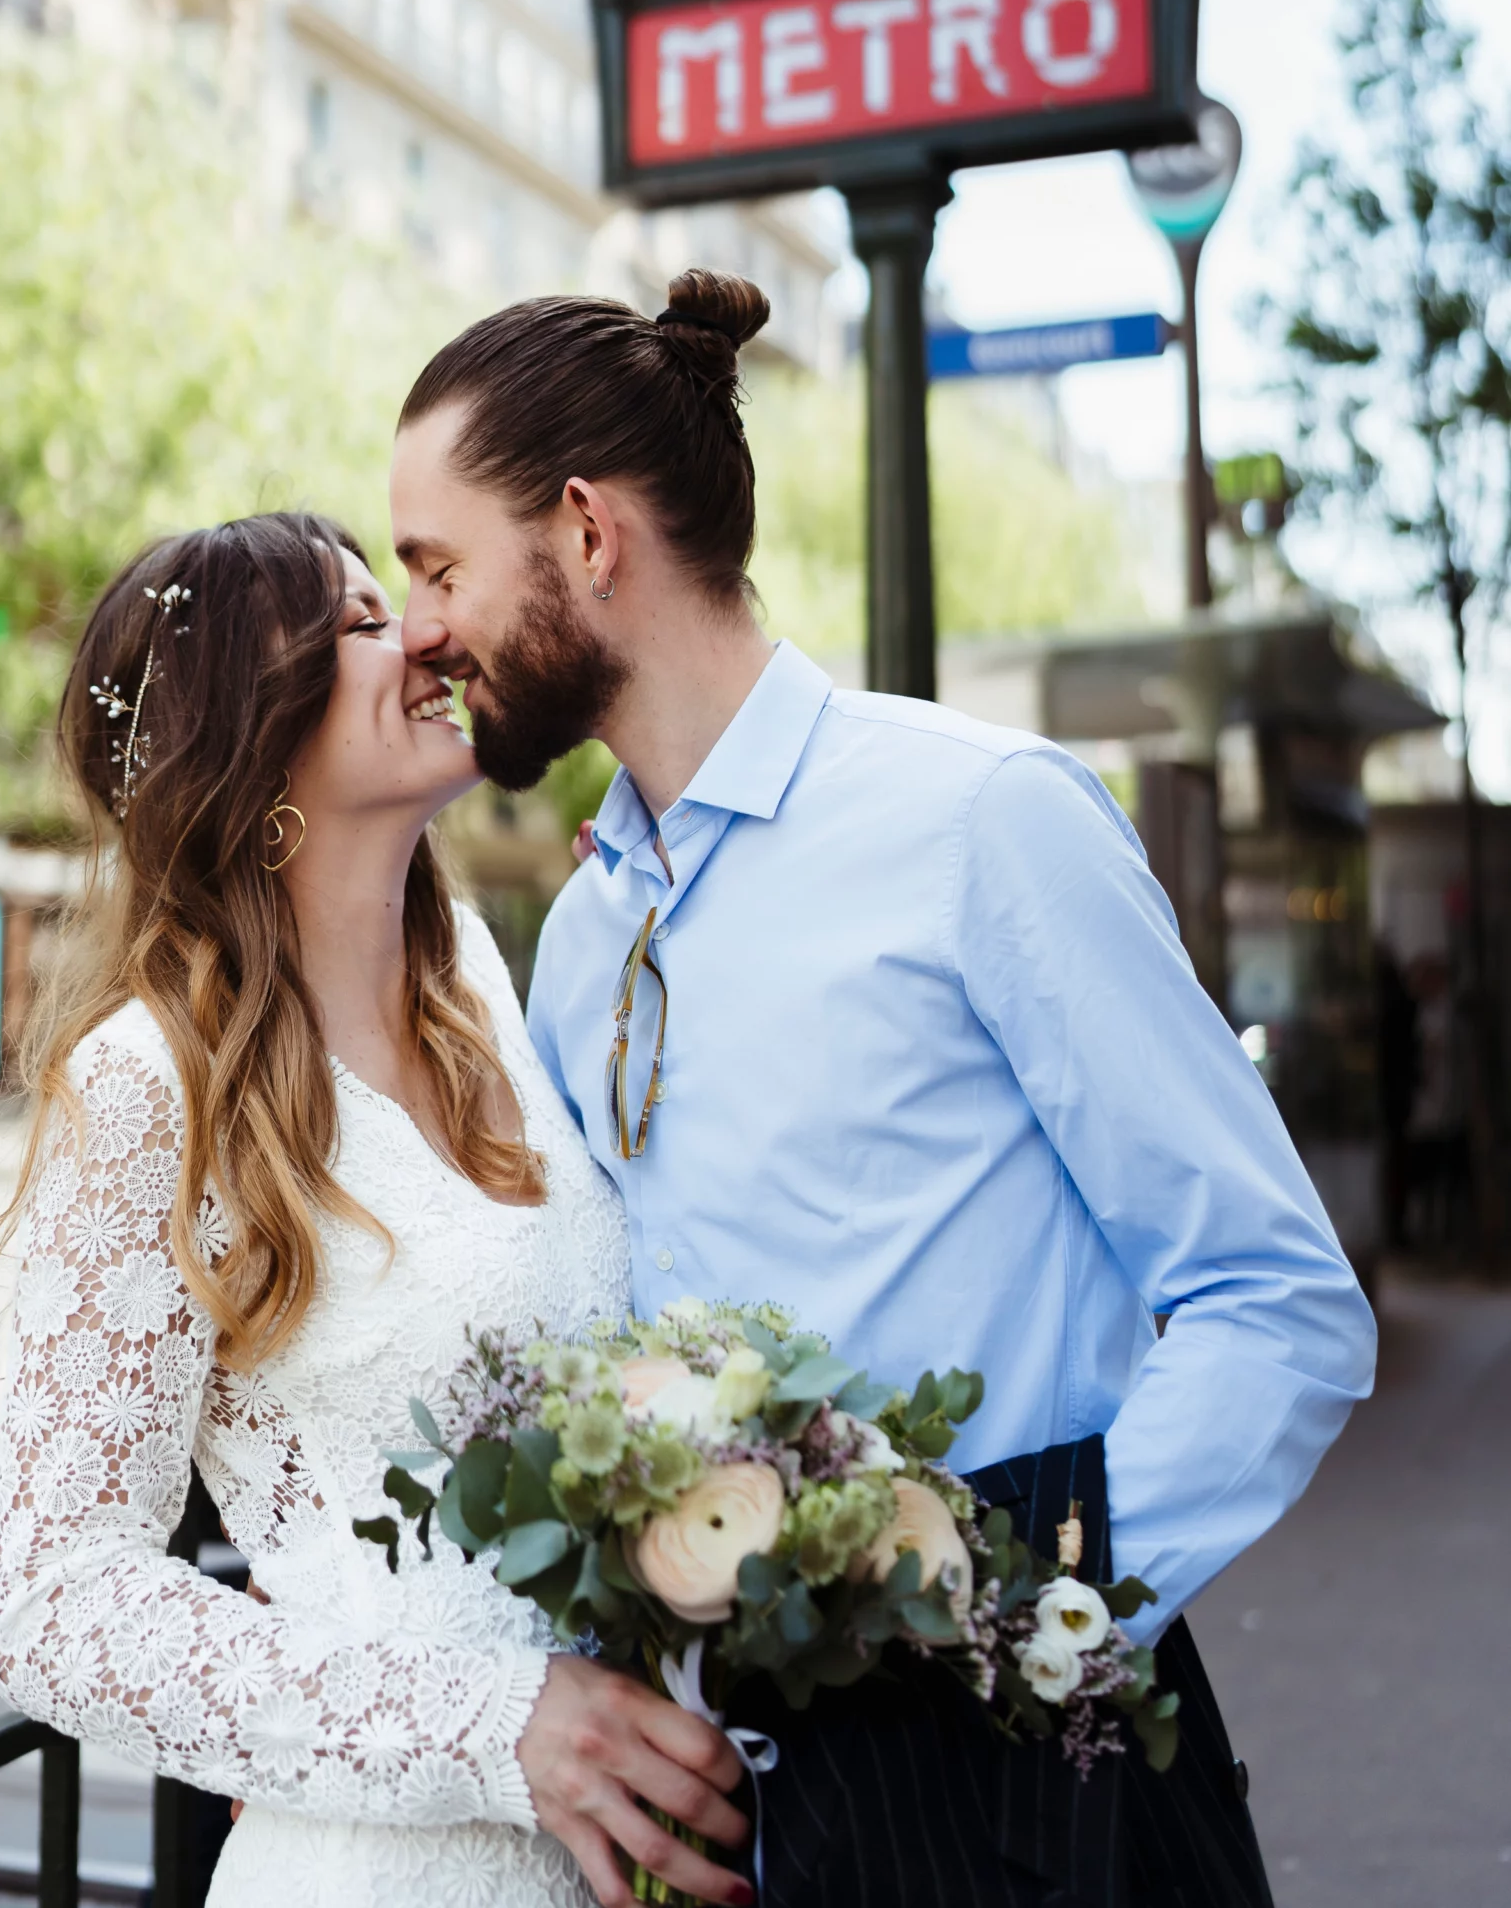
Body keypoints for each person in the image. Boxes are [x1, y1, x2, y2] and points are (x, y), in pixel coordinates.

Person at [390, 271, 1380, 1908]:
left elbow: (1277, 1303)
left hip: (1033, 1795)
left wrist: (1004, 1617)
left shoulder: (983, 820)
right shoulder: (582, 937)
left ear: (583, 531)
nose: (416, 625)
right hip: (734, 1831)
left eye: (434, 566)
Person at [0, 513, 751, 1908]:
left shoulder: (488, 1002)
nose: (421, 636)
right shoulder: (152, 1084)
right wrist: (492, 1724)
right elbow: (56, 1607)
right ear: (249, 735)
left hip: (633, 1843)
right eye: (351, 622)